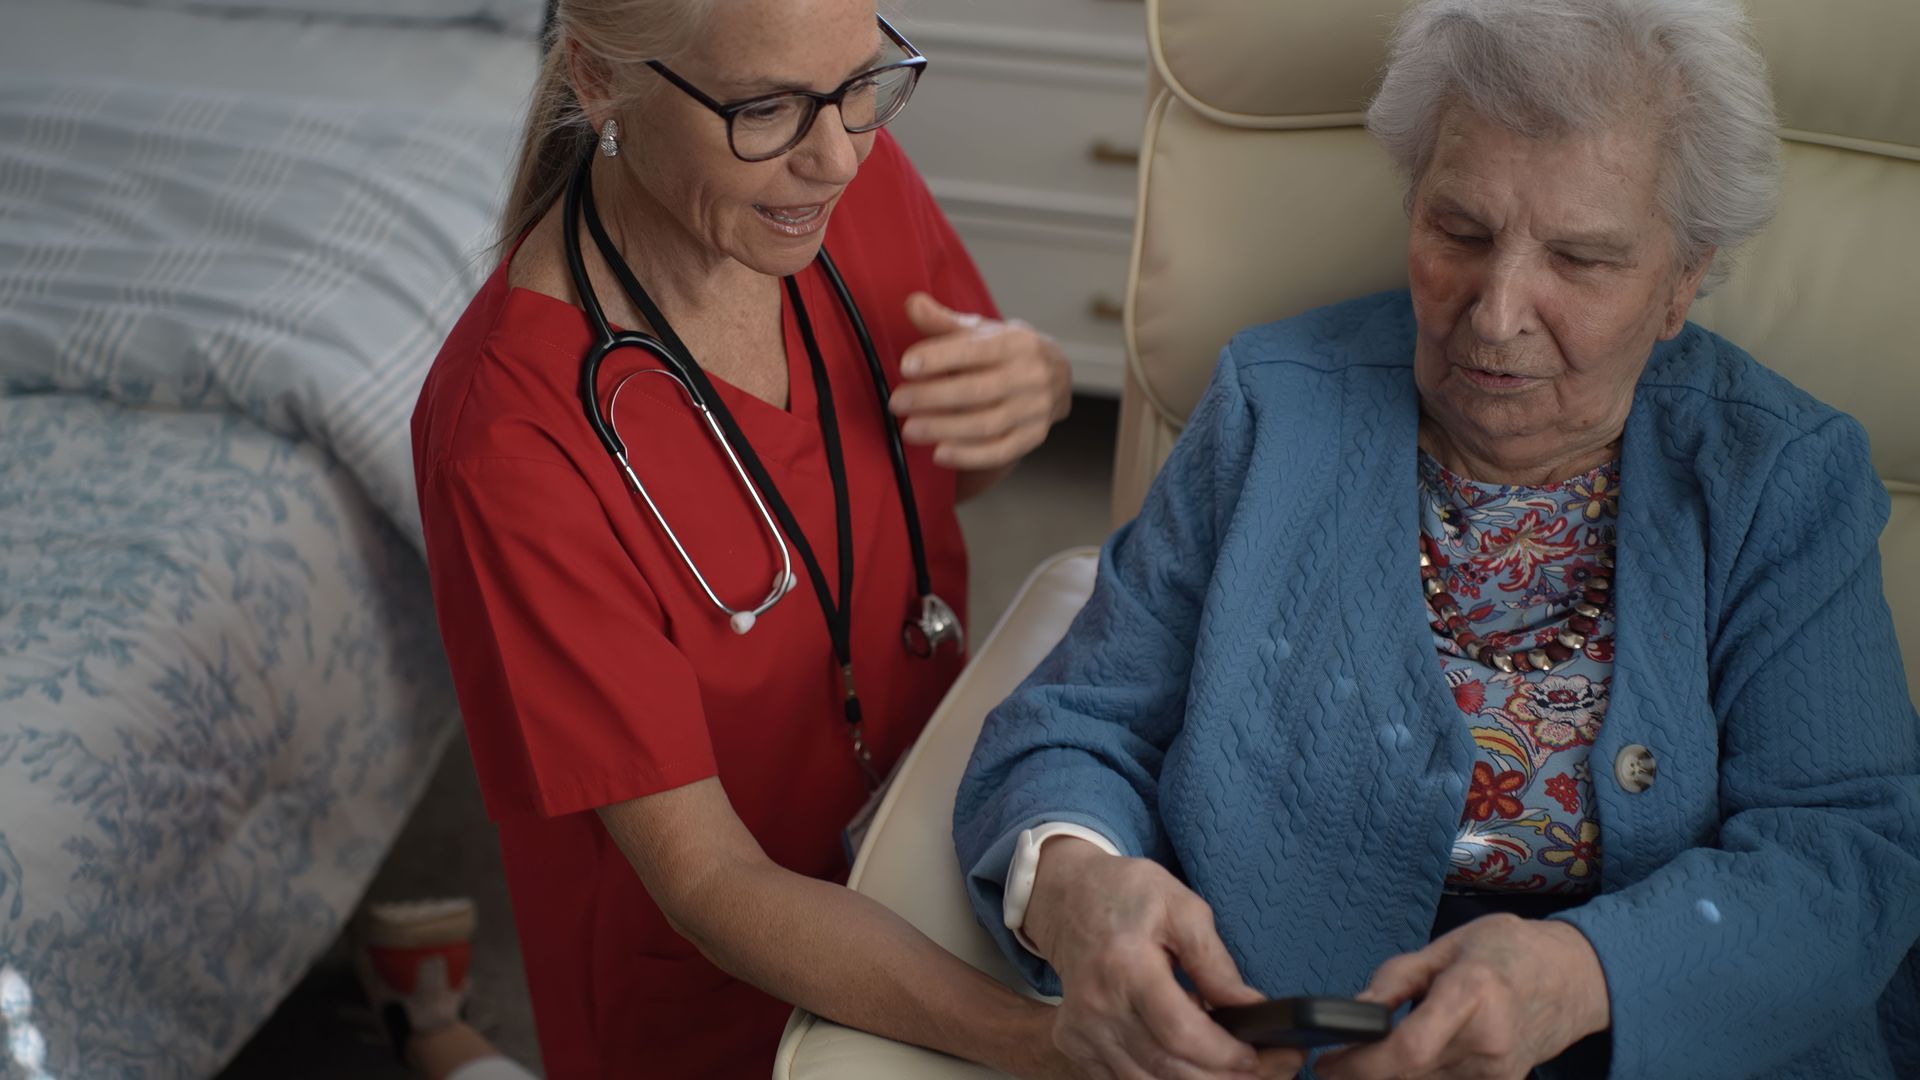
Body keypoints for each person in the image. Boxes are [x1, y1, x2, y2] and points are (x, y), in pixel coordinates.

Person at [954, 1, 1920, 1078]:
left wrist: (1581, 975)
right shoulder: (1274, 408)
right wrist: (1084, 890)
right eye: (1460, 232)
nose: (1497, 310)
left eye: (1583, 259)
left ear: (1683, 278)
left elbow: (1848, 853)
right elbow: (1072, 729)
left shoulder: (1781, 475)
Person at [408, 0, 1081, 1075]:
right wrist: (1041, 1044)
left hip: (928, 840)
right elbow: (710, 883)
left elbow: (954, 476)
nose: (837, 159)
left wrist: (1029, 388)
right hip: (717, 975)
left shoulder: (834, 185)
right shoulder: (512, 434)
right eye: (763, 108)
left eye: (861, 83)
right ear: (598, 80)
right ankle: (432, 1026)